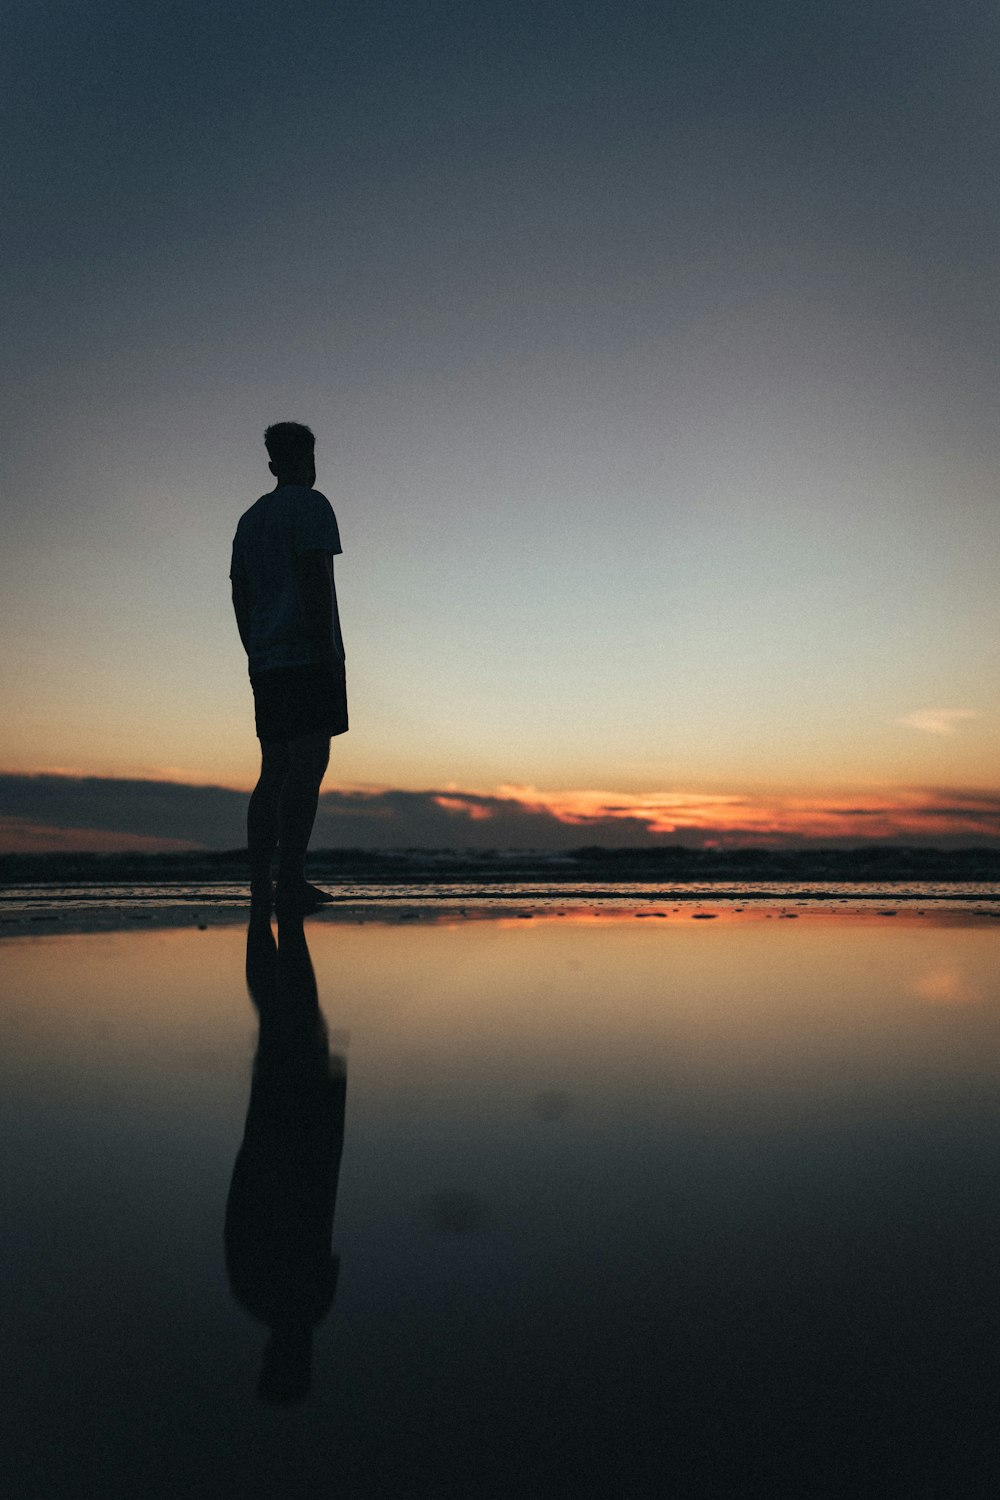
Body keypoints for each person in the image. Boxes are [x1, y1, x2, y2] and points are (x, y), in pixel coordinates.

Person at [230, 422, 347, 913]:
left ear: (273, 463)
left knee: (274, 769)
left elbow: (240, 592)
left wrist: (253, 648)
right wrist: (325, 650)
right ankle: (292, 879)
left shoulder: (251, 519)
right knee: (308, 764)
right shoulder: (312, 506)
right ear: (308, 460)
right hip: (307, 653)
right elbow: (314, 573)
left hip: (267, 658)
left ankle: (262, 884)